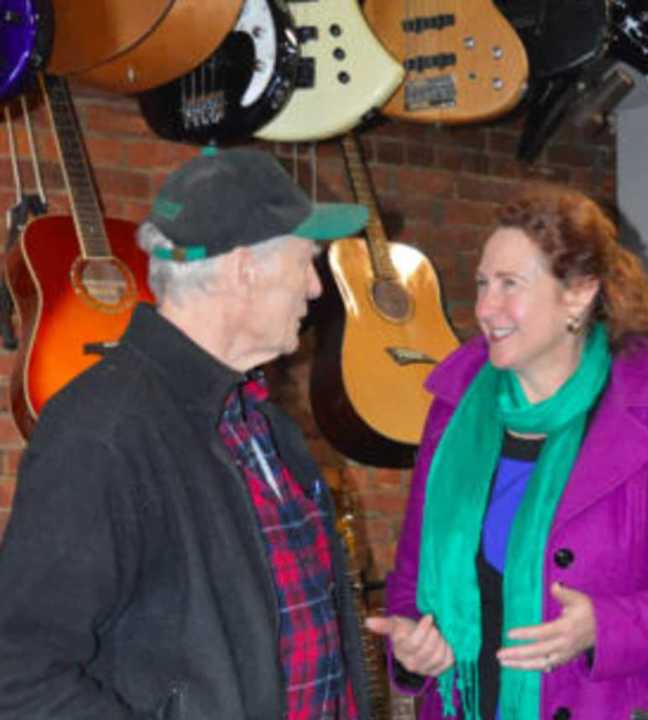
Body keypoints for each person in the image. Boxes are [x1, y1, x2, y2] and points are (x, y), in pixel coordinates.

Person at [0, 147, 374, 720]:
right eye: (307, 262)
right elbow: (19, 672)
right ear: (246, 267)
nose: (317, 288)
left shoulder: (261, 421)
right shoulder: (101, 431)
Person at [366, 184, 648, 720]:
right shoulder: (453, 409)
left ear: (578, 294)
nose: (484, 308)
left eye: (509, 285)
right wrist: (412, 649)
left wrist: (606, 626)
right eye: (482, 283)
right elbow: (412, 579)